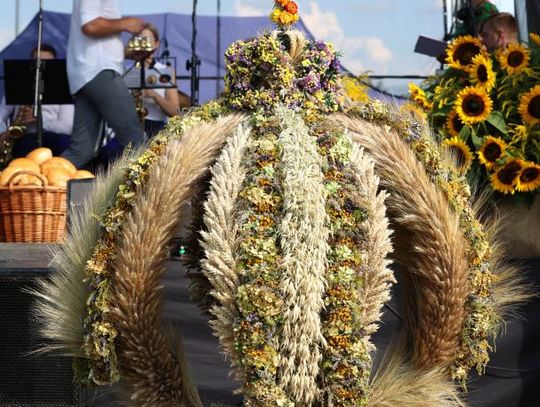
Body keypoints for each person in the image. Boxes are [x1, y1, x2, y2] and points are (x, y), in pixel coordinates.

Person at [63, 0, 146, 168]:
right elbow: (90, 25)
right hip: (99, 71)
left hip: (87, 74)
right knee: (134, 139)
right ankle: (145, 187)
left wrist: (125, 53)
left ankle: (39, 179)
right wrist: (125, 23)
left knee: (81, 150)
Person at [0, 44, 74, 163]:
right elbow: (1, 114)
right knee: (24, 150)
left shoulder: (62, 88)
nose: (41, 67)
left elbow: (67, 127)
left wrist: (40, 120)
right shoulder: (17, 85)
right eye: (37, 62)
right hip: (24, 138)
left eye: (47, 63)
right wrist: (3, 132)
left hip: (55, 138)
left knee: (64, 145)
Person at [138, 24, 180, 137]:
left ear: (156, 44)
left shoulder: (165, 71)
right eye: (140, 40)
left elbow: (175, 112)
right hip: (131, 127)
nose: (144, 43)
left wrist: (154, 95)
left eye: (147, 40)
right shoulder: (127, 71)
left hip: (155, 129)